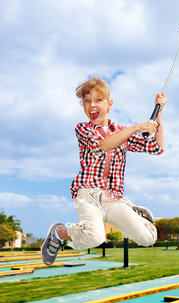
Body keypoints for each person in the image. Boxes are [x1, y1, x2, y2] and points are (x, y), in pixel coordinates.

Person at [41, 77, 167, 266]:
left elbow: (157, 147)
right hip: (88, 193)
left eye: (98, 100)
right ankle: (58, 233)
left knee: (148, 238)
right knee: (94, 237)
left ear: (109, 104)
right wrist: (137, 127)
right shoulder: (83, 129)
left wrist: (158, 115)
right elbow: (102, 146)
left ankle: (130, 208)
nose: (92, 105)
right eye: (86, 101)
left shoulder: (123, 132)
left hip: (113, 198)